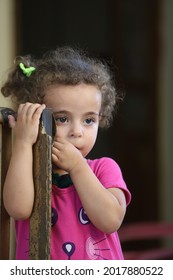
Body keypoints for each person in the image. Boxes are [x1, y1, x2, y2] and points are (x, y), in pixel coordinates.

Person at [1, 47, 131, 260]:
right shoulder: (27, 170)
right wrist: (23, 142)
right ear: (37, 118)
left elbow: (111, 220)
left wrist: (78, 167)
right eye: (62, 119)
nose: (77, 132)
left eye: (89, 120)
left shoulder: (104, 168)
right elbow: (18, 209)